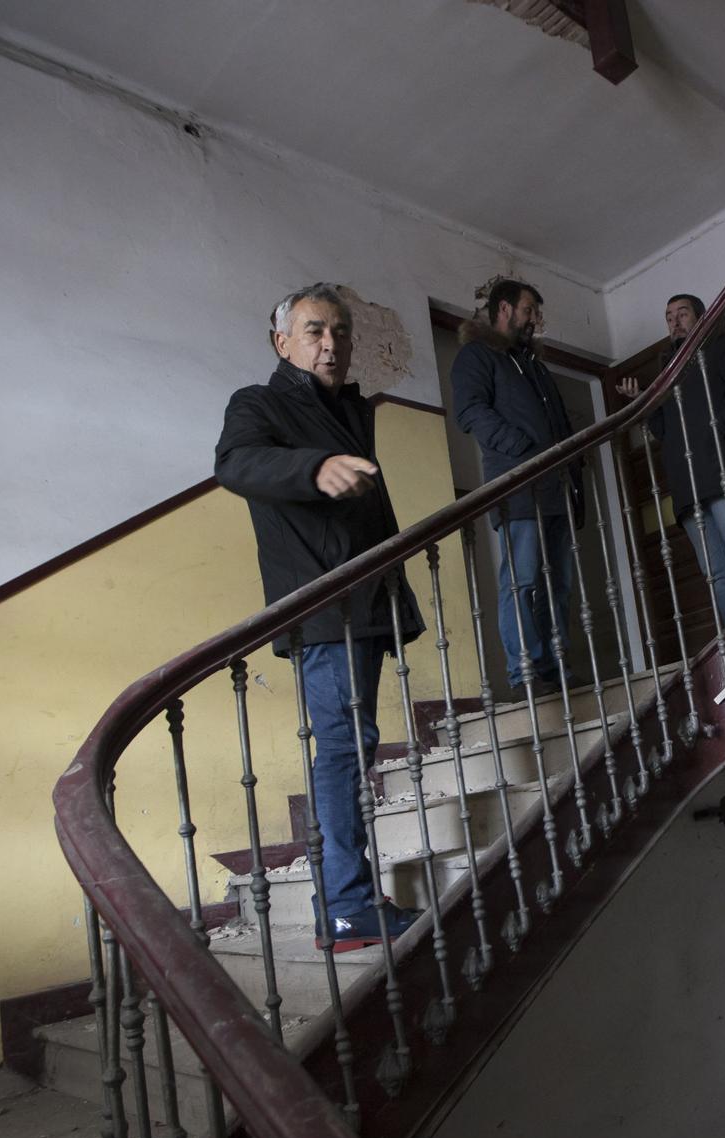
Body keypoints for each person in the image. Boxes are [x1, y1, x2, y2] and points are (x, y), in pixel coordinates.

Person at [213, 282, 425, 952]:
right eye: (314, 331)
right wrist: (315, 468)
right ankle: (345, 906)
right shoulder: (260, 403)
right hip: (322, 605)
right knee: (341, 748)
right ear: (283, 341)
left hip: (364, 602)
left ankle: (345, 893)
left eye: (340, 332)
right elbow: (236, 463)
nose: (331, 344)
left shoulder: (349, 409)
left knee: (353, 744)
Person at [450, 279, 584, 688]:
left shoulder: (535, 367)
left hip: (557, 488)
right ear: (504, 309)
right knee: (522, 580)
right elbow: (471, 411)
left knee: (557, 584)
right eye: (529, 310)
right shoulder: (477, 355)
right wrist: (521, 449)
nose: (534, 319)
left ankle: (554, 667)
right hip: (518, 488)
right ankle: (524, 670)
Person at [617, 294, 725, 630]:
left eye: (682, 313)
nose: (674, 321)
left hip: (722, 469)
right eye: (669, 316)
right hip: (686, 485)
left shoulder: (722, 347)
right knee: (714, 572)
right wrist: (642, 401)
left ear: (700, 318)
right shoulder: (666, 371)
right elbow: (663, 430)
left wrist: (718, 428)